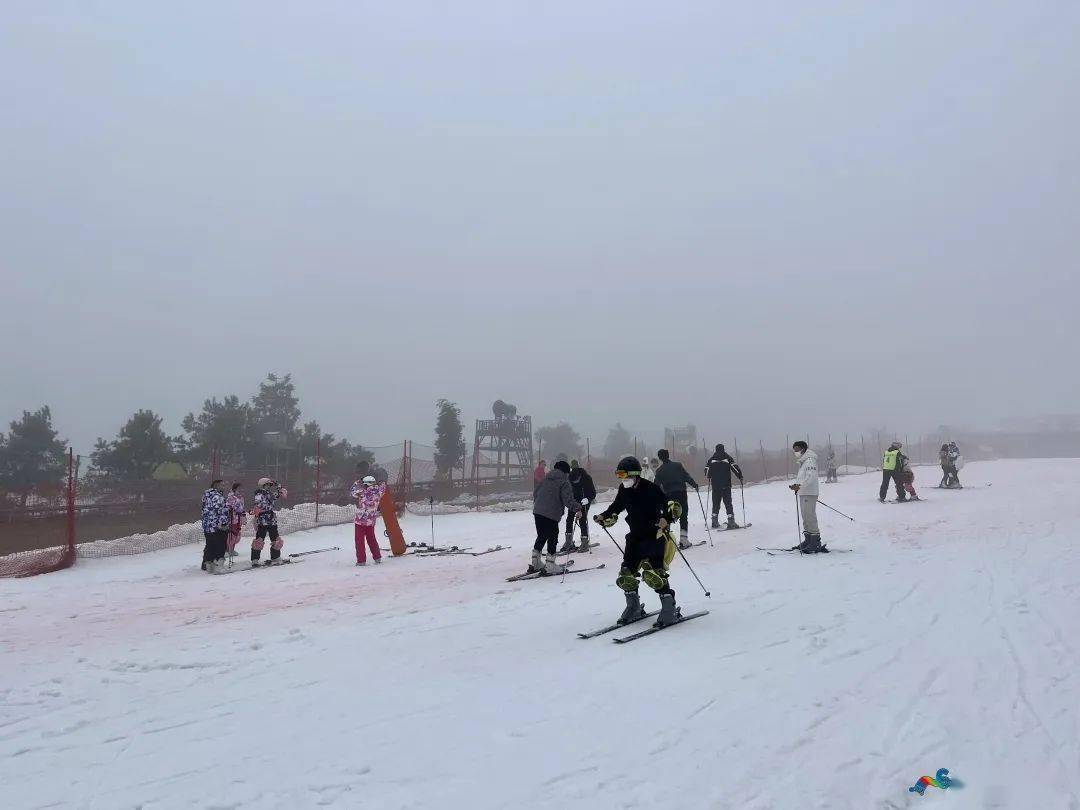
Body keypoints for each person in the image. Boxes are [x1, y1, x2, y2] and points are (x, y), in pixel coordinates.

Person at [593, 456, 683, 627]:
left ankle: (669, 609)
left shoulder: (651, 489)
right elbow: (616, 507)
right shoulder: (624, 489)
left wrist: (666, 518)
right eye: (620, 476)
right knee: (626, 573)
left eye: (625, 476)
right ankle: (633, 607)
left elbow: (669, 506)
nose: (622, 480)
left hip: (654, 536)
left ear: (635, 475)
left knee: (655, 574)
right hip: (635, 537)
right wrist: (604, 516)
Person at [530, 460, 581, 574]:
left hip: (537, 511)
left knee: (542, 535)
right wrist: (578, 508)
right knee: (553, 537)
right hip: (551, 513)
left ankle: (536, 562)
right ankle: (550, 565)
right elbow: (568, 500)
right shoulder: (564, 481)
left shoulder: (545, 479)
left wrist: (540, 504)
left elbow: (535, 493)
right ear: (566, 472)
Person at [653, 448, 699, 549]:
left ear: (660, 458)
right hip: (681, 493)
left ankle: (666, 541)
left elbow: (655, 486)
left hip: (668, 496)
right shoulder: (678, 465)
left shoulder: (659, 471)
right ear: (668, 455)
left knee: (668, 516)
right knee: (683, 515)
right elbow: (686, 476)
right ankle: (683, 540)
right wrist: (694, 484)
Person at [789, 441, 826, 553]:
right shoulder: (803, 462)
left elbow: (811, 477)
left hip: (809, 493)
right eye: (794, 449)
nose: (795, 451)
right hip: (804, 492)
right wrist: (797, 485)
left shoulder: (810, 460)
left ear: (803, 449)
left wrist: (799, 485)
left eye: (797, 449)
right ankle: (808, 540)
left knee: (810, 516)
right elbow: (803, 477)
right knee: (805, 517)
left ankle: (815, 542)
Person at [560, 459, 597, 552]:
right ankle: (568, 541)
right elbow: (568, 492)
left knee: (582, 520)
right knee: (569, 519)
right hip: (574, 502)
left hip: (584, 501)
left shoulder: (587, 478)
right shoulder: (569, 477)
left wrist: (588, 499)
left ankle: (584, 542)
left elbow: (593, 493)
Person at [704, 443, 743, 529]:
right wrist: (740, 476)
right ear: (723, 449)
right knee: (728, 503)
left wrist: (710, 475)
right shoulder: (727, 458)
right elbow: (735, 468)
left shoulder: (711, 459)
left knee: (715, 503)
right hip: (726, 485)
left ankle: (714, 521)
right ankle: (731, 521)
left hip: (715, 486)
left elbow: (706, 472)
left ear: (716, 449)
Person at [350, 475, 386, 566]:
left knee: (359, 541)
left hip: (360, 521)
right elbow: (383, 486)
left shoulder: (362, 492)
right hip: (371, 520)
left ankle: (361, 560)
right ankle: (377, 557)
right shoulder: (378, 492)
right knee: (371, 539)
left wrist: (358, 481)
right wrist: (380, 482)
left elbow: (353, 490)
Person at [251, 477, 287, 566]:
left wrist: (279, 487)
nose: (269, 486)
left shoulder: (269, 493)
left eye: (269, 485)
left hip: (271, 519)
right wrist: (255, 516)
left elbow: (279, 495)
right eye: (267, 485)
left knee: (275, 538)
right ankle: (255, 559)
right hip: (263, 519)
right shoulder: (259, 494)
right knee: (259, 539)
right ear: (263, 485)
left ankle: (275, 556)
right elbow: (259, 505)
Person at [201, 479, 230, 572]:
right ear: (216, 486)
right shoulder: (218, 497)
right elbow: (221, 511)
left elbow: (204, 509)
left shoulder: (206, 495)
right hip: (218, 526)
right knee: (220, 545)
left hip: (207, 525)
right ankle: (219, 565)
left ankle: (208, 564)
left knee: (210, 544)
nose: (224, 487)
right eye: (222, 485)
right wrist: (224, 523)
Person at [225, 482, 246, 557]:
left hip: (238, 519)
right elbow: (228, 507)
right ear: (234, 489)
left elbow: (242, 508)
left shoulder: (241, 497)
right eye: (239, 488)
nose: (240, 490)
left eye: (241, 488)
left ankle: (232, 549)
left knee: (236, 535)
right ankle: (227, 550)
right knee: (231, 534)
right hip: (232, 519)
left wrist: (244, 516)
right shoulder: (231, 497)